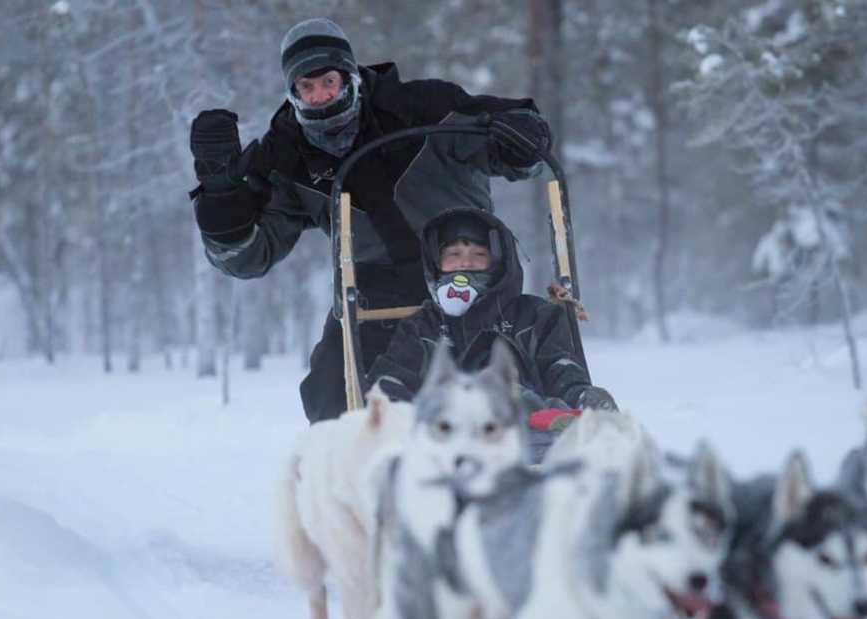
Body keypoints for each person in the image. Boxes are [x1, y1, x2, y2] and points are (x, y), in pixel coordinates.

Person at [187, 17, 555, 422]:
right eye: (306, 88)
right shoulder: (286, 155)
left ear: (350, 76)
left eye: (328, 81)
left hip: (470, 267)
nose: (320, 97)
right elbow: (247, 257)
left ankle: (529, 439)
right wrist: (221, 195)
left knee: (484, 382)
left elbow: (510, 154)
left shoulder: (425, 108)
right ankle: (353, 466)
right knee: (330, 394)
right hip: (374, 293)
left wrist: (523, 138)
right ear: (292, 93)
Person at [364, 206, 617, 414]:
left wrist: (584, 397)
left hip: (529, 431)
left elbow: (560, 369)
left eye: (478, 254)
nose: (465, 262)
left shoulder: (535, 317)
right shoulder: (422, 327)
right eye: (453, 253)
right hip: (444, 437)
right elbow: (393, 379)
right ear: (437, 262)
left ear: (497, 261)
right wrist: (389, 411)